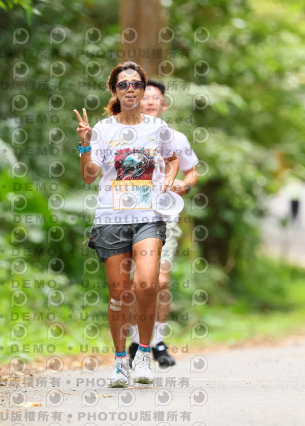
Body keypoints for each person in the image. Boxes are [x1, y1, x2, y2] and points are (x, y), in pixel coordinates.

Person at [74, 61, 179, 387]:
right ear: (114, 91)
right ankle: (121, 361)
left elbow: (172, 159)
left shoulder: (157, 127)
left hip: (148, 218)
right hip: (111, 219)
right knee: (119, 293)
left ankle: (144, 353)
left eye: (135, 84)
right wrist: (85, 144)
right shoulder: (104, 129)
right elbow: (89, 176)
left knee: (146, 285)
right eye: (123, 84)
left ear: (143, 89)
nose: (130, 89)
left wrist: (168, 180)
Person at [127, 80, 198, 367]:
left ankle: (158, 341)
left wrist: (184, 185)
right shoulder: (126, 135)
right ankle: (136, 341)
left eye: (155, 97)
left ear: (164, 104)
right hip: (129, 217)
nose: (149, 101)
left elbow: (192, 171)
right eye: (144, 97)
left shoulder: (176, 138)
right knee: (136, 284)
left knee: (161, 281)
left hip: (165, 218)